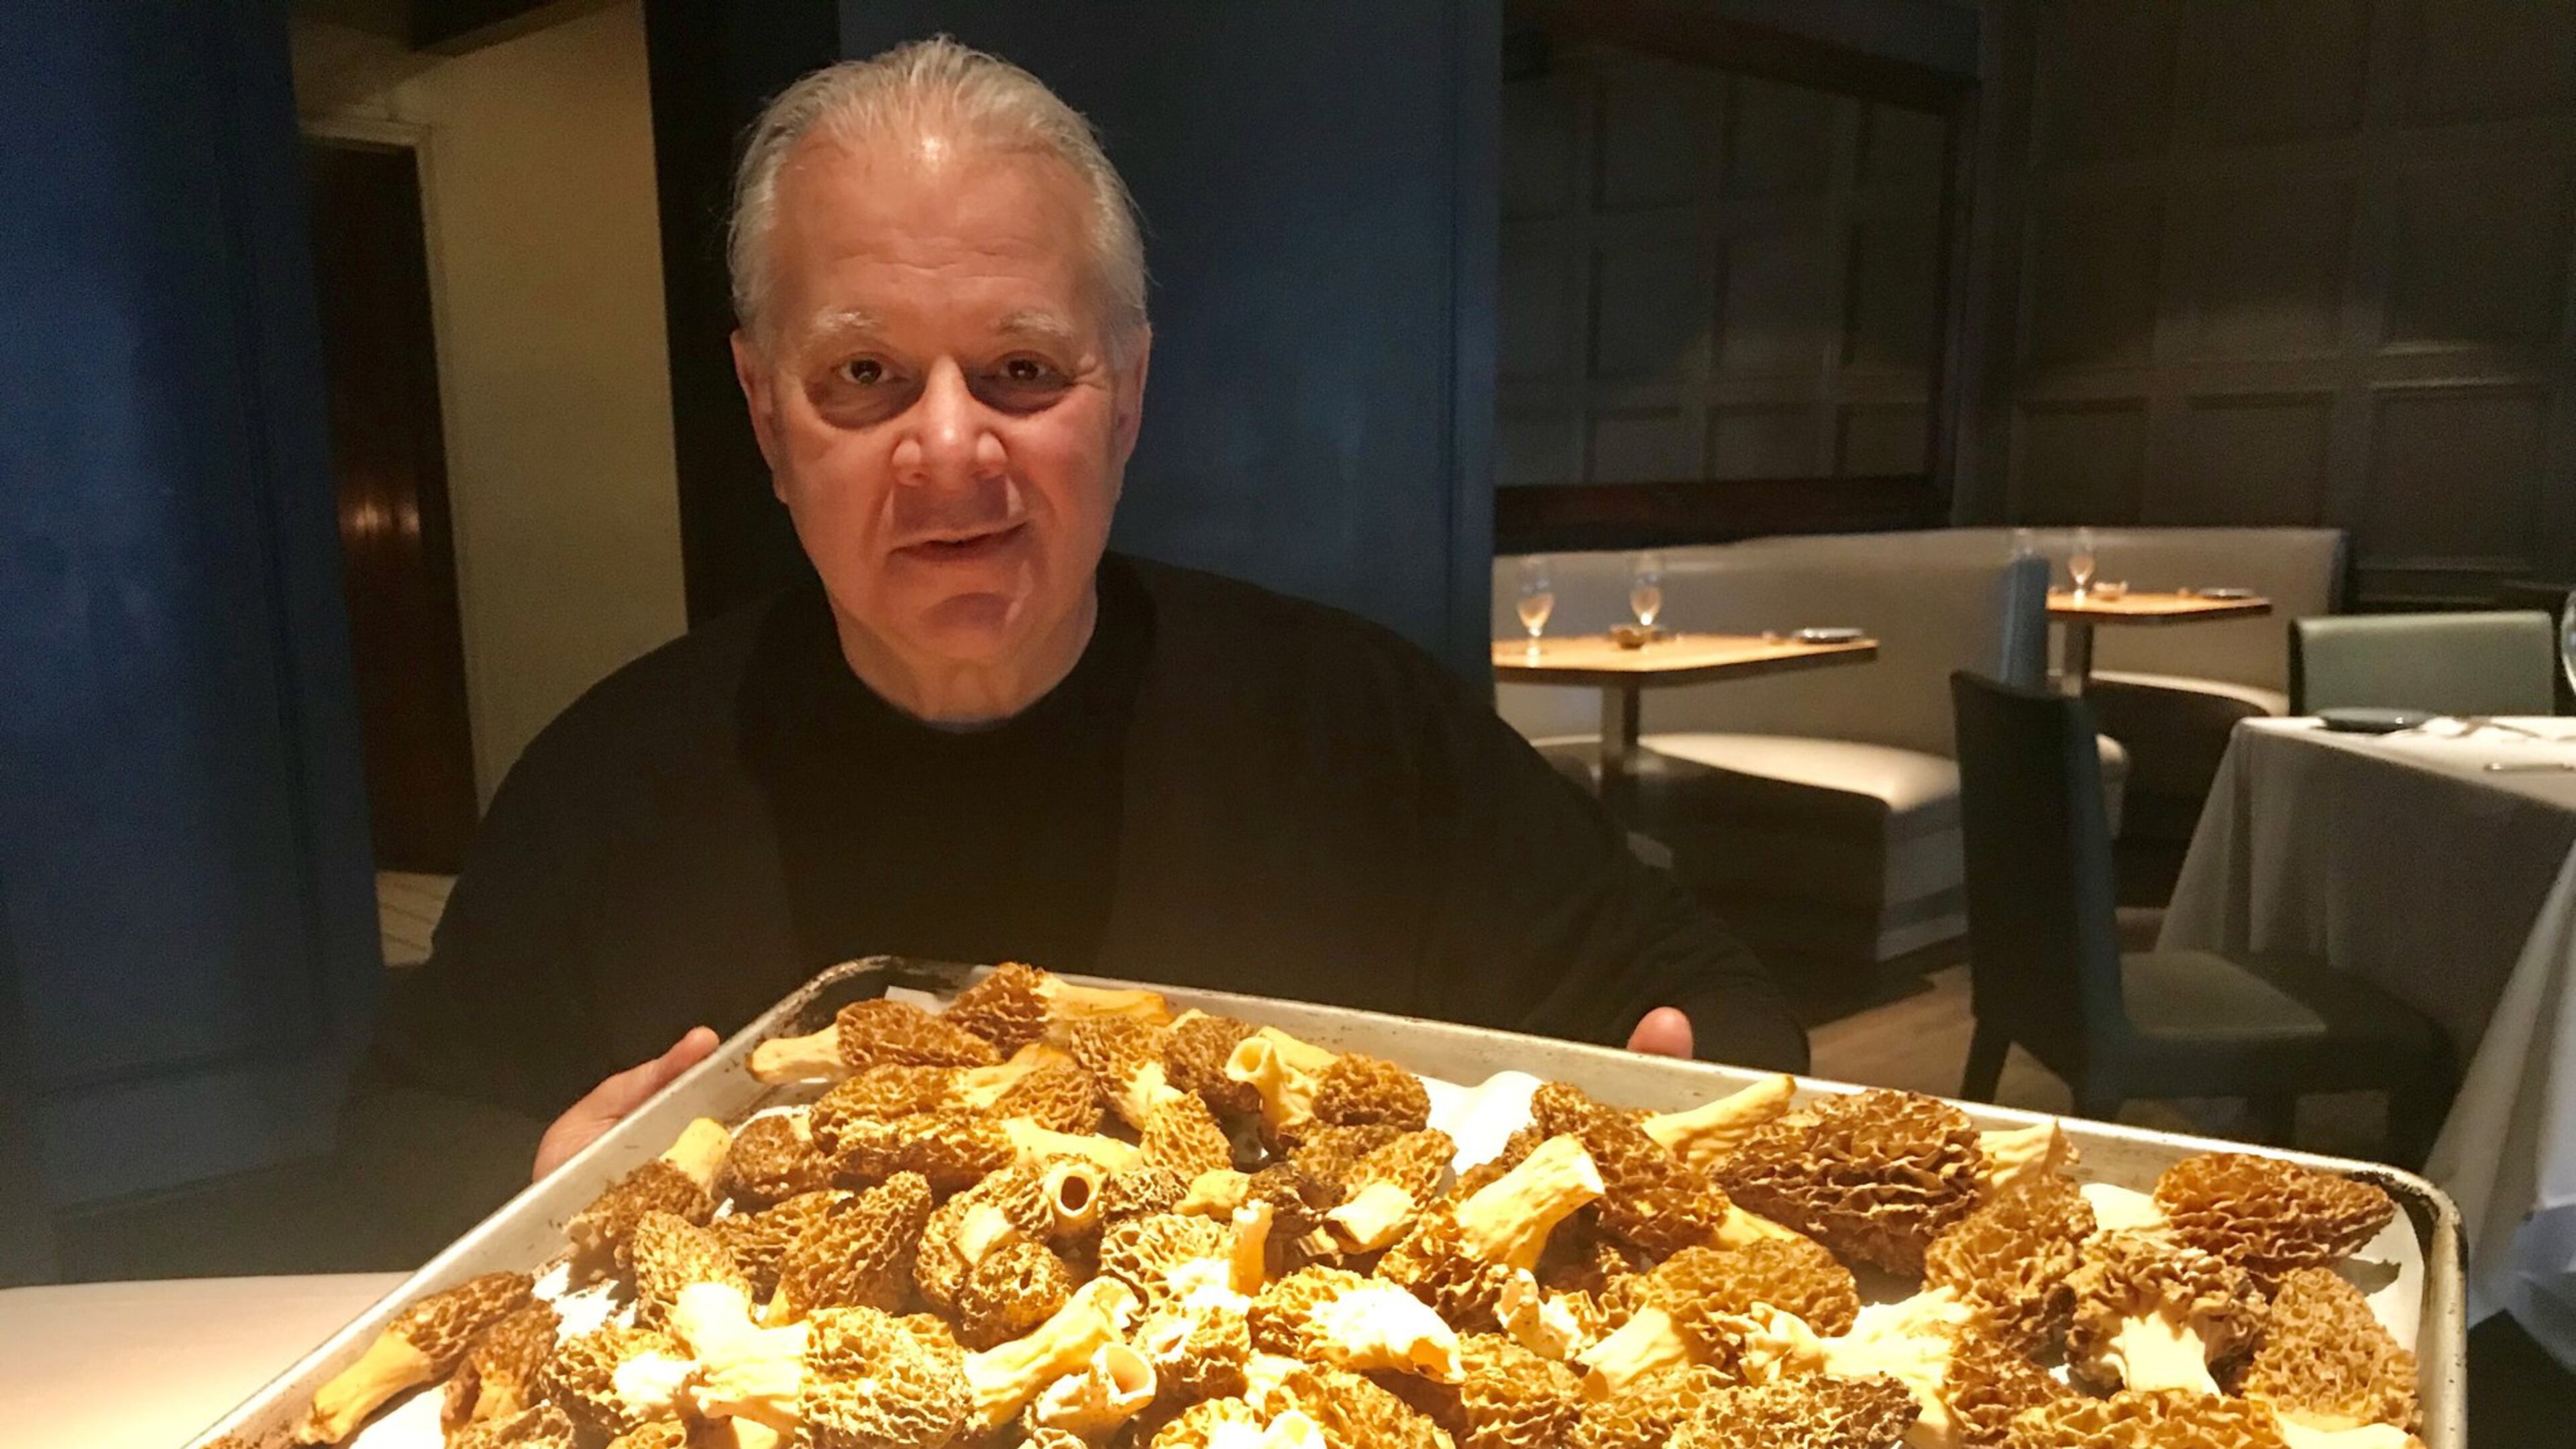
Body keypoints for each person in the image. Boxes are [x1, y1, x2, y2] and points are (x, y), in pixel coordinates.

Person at [372, 38, 1806, 1180]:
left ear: (1126, 394)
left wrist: (1684, 1113)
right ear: (763, 409)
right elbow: (400, 1131)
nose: (948, 451)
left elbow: (1700, 1002)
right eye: (863, 377)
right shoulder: (608, 784)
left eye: (1020, 371)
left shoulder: (1361, 729)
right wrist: (543, 1178)